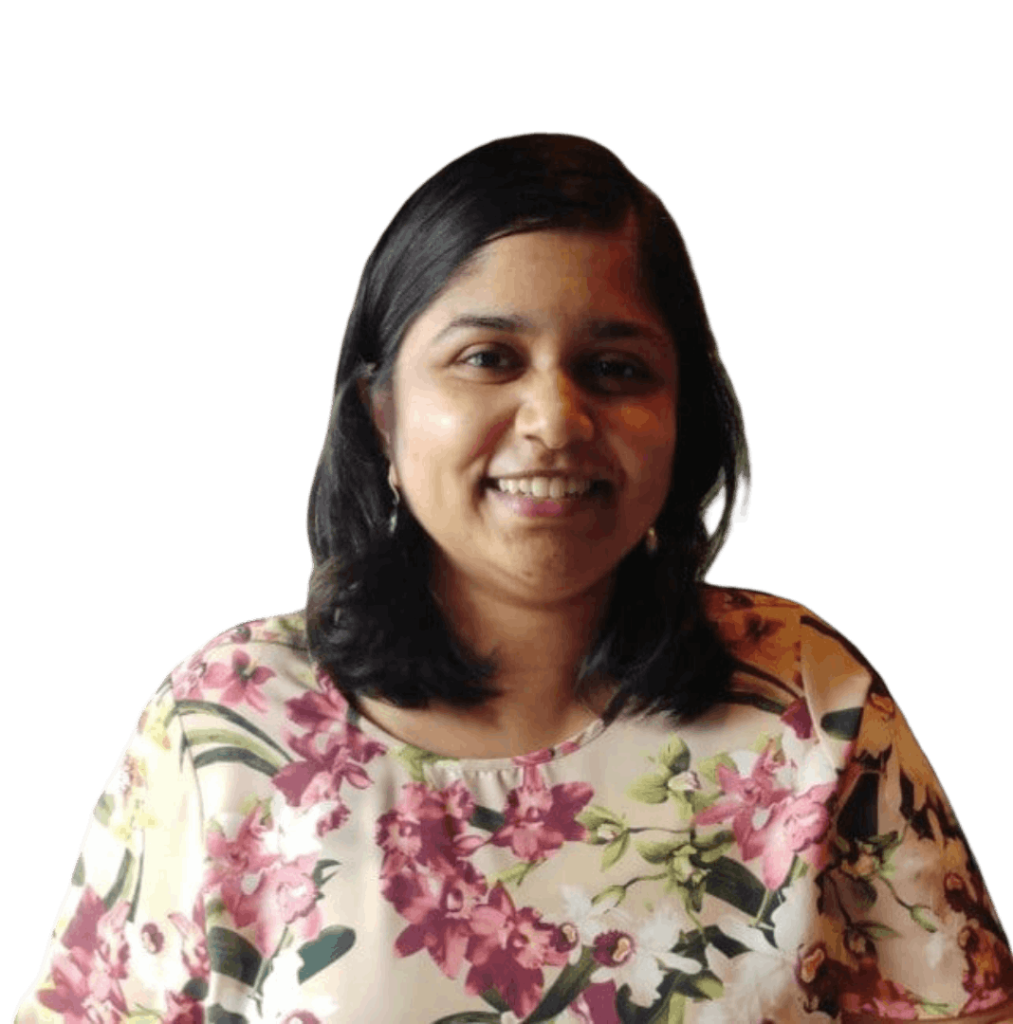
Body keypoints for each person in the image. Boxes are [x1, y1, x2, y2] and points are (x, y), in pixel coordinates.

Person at [14, 132, 1011, 1024]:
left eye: (614, 368)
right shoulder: (224, 726)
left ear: (682, 420)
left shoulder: (809, 704)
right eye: (488, 357)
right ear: (381, 417)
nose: (554, 420)